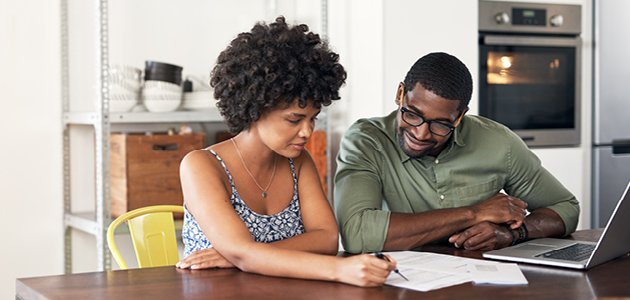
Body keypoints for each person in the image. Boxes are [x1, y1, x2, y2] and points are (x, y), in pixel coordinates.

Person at [175, 16, 395, 287]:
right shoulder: (201, 165)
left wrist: (240, 256)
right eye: (294, 119)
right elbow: (243, 251)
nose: (307, 132)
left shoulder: (298, 162)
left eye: (313, 118)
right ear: (255, 108)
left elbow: (326, 239)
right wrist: (340, 269)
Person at [334, 52, 580, 254]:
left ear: (460, 116)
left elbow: (565, 208)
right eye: (412, 114)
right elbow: (357, 234)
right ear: (400, 94)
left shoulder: (499, 143)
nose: (421, 134)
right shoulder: (367, 141)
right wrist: (474, 213)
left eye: (441, 124)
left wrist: (510, 234)